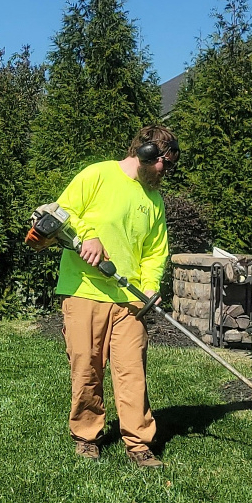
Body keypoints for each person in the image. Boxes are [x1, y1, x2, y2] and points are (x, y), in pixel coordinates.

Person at [55, 125, 177, 469]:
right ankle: (86, 436)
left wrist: (151, 284)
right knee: (86, 369)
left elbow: (155, 251)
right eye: (163, 164)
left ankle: (138, 442)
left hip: (131, 301)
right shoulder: (97, 175)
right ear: (145, 153)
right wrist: (88, 236)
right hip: (84, 291)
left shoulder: (153, 199)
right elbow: (60, 213)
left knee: (131, 372)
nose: (164, 172)